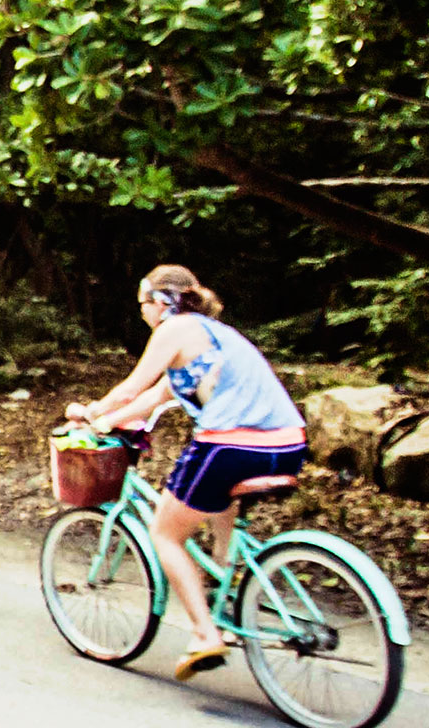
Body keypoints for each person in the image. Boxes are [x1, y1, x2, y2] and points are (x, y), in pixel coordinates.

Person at [65, 263, 306, 683]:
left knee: (165, 533)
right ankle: (227, 574)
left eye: (142, 304)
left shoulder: (173, 330)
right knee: (219, 497)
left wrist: (91, 412)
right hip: (288, 444)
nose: (142, 313)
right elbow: (156, 397)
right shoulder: (214, 334)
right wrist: (108, 422)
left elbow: (132, 387)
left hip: (231, 445)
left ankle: (204, 633)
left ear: (159, 302)